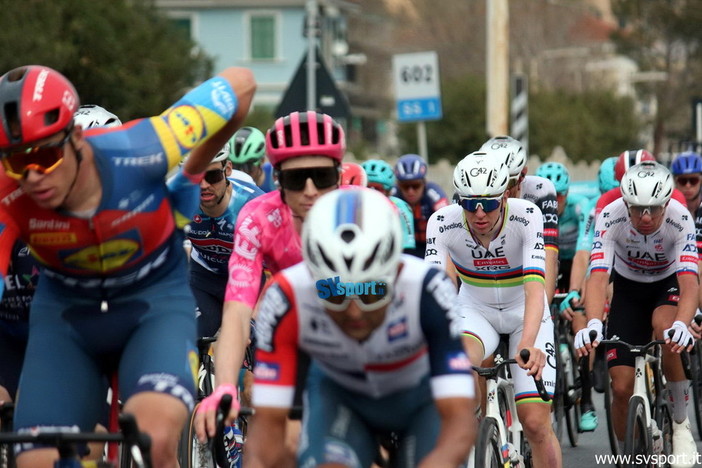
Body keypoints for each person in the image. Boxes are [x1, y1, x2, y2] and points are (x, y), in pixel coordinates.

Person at [0, 64, 256, 468]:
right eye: (17, 163)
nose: (32, 179)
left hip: (152, 308)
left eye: (46, 156)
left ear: (76, 137)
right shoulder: (7, 190)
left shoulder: (141, 147)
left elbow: (242, 86)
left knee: (154, 441)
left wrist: (194, 168)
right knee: (36, 461)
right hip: (66, 319)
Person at [245, 187, 476, 468]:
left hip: (420, 401)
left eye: (372, 292)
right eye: (334, 294)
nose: (354, 311)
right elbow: (267, 428)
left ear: (395, 272)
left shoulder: (427, 288)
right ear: (313, 277)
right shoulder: (287, 296)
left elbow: (459, 417)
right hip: (341, 397)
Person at [195, 111, 345, 453]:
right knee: (277, 446)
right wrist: (225, 386)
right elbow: (236, 311)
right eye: (296, 179)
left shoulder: (368, 212)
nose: (310, 191)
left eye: (322, 177)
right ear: (277, 179)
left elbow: (387, 296)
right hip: (296, 328)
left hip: (361, 329)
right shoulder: (258, 218)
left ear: (339, 175)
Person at [425, 152, 562, 468]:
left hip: (524, 311)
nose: (479, 213)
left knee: (535, 423)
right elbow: (434, 291)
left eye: (488, 204)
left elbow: (534, 287)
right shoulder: (442, 223)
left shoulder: (527, 216)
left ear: (505, 197)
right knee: (458, 368)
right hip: (475, 309)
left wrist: (528, 344)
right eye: (469, 203)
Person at [575, 161, 699, 467]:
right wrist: (594, 322)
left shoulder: (680, 218)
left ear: (666, 203)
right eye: (637, 209)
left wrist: (683, 324)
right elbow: (598, 276)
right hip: (628, 290)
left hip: (667, 285)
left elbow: (689, 283)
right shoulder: (610, 215)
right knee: (620, 387)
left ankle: (681, 424)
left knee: (666, 330)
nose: (645, 217)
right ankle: (630, 454)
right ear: (625, 203)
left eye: (654, 209)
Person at [535, 161, 599, 431]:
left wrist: (575, 291)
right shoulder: (533, 208)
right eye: (550, 196)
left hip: (575, 266)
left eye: (559, 195)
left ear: (567, 193)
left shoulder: (580, 207)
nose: (555, 201)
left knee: (579, 322)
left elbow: (586, 251)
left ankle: (587, 400)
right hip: (546, 265)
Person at [179, 147, 262, 338]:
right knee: (189, 336)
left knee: (253, 338)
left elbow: (278, 268)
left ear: (228, 169)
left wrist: (254, 318)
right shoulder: (179, 202)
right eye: (195, 177)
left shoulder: (254, 205)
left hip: (247, 281)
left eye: (213, 176)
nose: (204, 185)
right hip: (204, 279)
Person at [480, 135, 560, 303]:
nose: (501, 191)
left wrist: (543, 309)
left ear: (522, 175)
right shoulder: (468, 191)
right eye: (493, 182)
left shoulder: (541, 190)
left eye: (507, 183)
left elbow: (549, 252)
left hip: (526, 265)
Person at [392, 153, 448, 259]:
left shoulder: (433, 193)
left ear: (424, 183)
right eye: (405, 186)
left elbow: (447, 219)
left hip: (432, 247)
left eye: (416, 185)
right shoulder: (393, 194)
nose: (411, 191)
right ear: (398, 185)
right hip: (403, 250)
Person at [361, 158, 416, 252]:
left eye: (378, 188)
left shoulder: (400, 207)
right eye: (367, 187)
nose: (371, 192)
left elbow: (407, 247)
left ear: (388, 191)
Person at [227, 126, 269, 190]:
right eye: (235, 167)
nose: (241, 172)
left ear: (262, 161)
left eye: (247, 167)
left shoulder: (275, 179)